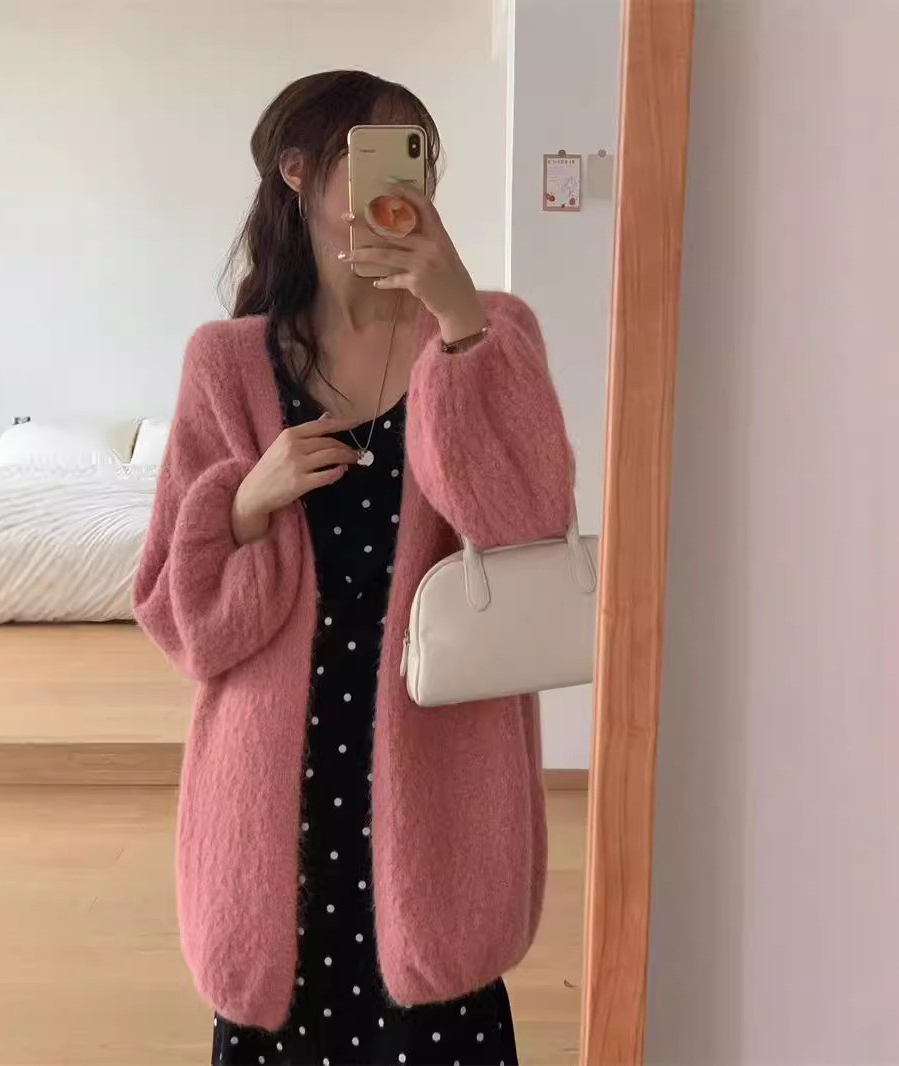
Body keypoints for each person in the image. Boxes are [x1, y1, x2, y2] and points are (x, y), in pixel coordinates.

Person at [134, 70, 573, 1066]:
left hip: (441, 773)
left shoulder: (490, 329)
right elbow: (176, 616)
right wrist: (245, 502)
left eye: (419, 155)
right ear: (298, 172)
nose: (404, 181)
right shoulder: (225, 363)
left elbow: (527, 523)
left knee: (439, 1011)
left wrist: (459, 321)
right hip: (275, 792)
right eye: (374, 153)